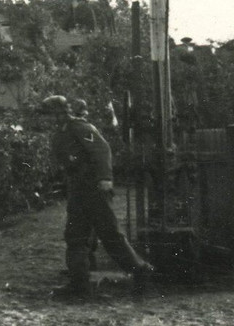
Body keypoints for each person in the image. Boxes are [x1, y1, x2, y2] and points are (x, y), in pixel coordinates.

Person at [41, 95, 153, 300]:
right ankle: (79, 285)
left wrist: (105, 178)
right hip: (78, 190)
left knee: (110, 234)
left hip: (94, 188)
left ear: (59, 113)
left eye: (48, 116)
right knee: (75, 236)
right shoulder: (61, 133)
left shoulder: (79, 128)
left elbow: (102, 150)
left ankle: (141, 272)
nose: (46, 120)